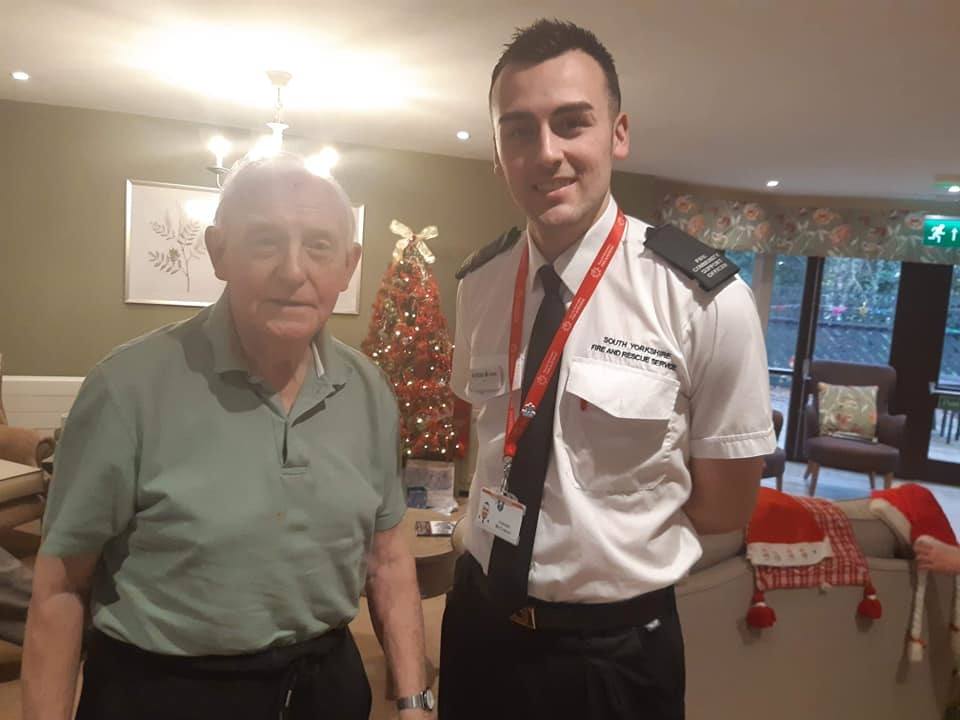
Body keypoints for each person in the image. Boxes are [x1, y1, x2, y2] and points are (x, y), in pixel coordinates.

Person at [439, 19, 776, 720]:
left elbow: (725, 506)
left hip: (613, 653)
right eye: (519, 130)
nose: (547, 153)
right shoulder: (479, 283)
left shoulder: (703, 298)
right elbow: (485, 435)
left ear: (618, 134)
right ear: (498, 153)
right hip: (477, 625)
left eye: (572, 123)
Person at [22, 155, 434, 720]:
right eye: (265, 241)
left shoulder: (369, 390)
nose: (294, 270)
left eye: (319, 245)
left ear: (349, 264)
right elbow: (60, 587)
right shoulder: (126, 388)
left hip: (324, 687)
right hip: (164, 692)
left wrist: (414, 702)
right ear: (219, 253)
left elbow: (388, 560)